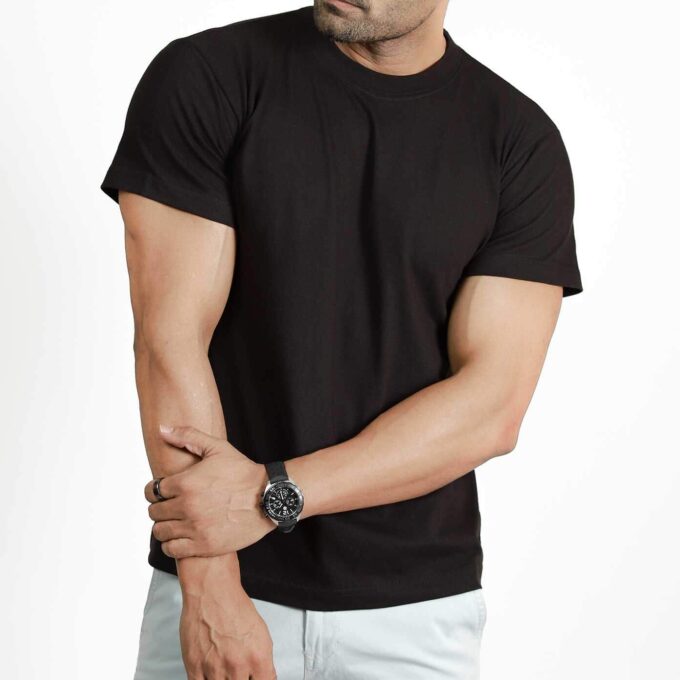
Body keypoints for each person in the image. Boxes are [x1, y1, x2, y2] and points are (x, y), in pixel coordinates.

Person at [100, 1, 583, 678]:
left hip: (415, 612)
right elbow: (169, 341)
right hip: (221, 581)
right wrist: (210, 585)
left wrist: (271, 493)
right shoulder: (210, 75)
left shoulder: (517, 142)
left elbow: (491, 407)